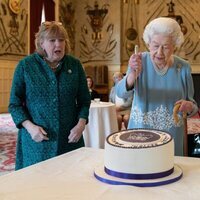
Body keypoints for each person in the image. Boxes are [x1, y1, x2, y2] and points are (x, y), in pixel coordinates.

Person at [8, 21, 91, 170]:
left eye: (61, 40)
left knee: (70, 184)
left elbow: (84, 100)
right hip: (37, 143)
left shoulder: (75, 65)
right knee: (38, 186)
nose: (58, 44)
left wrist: (81, 124)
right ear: (42, 43)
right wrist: (30, 127)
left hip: (70, 141)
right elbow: (14, 104)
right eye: (52, 40)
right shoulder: (26, 66)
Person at [116, 17, 198, 156]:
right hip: (140, 134)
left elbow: (193, 107)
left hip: (171, 136)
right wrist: (132, 75)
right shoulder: (139, 60)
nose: (159, 52)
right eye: (155, 46)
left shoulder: (183, 67)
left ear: (174, 46)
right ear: (148, 44)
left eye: (165, 47)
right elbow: (121, 93)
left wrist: (189, 106)